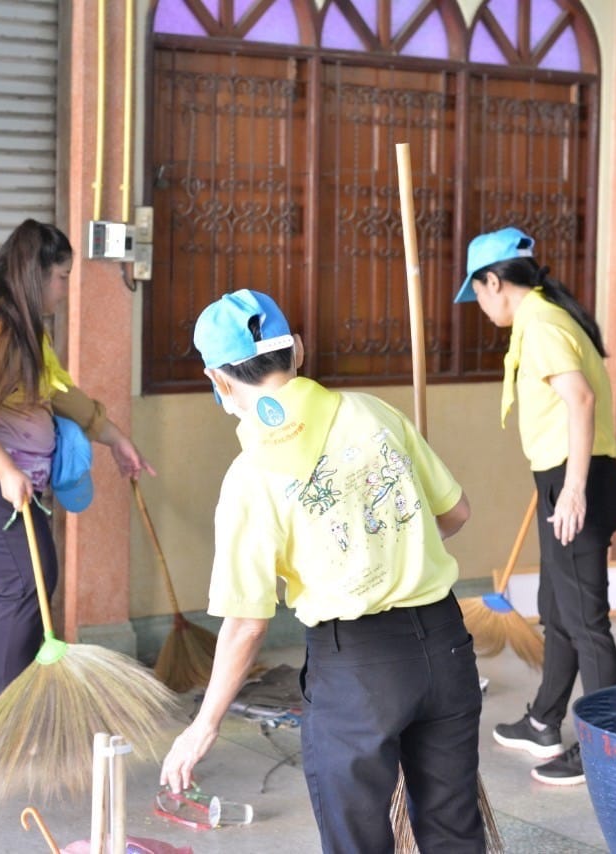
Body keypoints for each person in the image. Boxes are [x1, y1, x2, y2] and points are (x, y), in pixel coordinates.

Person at [159, 289, 485, 852]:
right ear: (298, 350)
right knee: (454, 832)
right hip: (446, 643)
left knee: (357, 841)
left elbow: (247, 624)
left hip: (358, 671)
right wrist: (397, 542)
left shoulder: (250, 476)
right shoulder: (375, 413)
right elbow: (455, 514)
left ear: (218, 380)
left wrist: (202, 725)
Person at [0, 219, 155, 742]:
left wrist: (115, 438)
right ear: (36, 274)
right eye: (63, 277)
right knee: (27, 580)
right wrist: (7, 471)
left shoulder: (24, 330)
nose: (65, 289)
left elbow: (59, 393)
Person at [454, 226, 616, 787]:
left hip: (579, 483)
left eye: (477, 292)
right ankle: (544, 721)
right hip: (570, 477)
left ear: (494, 282)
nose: (480, 305)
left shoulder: (544, 325)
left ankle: (605, 751)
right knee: (557, 610)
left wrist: (572, 488)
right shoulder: (544, 319)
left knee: (586, 623)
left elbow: (581, 399)